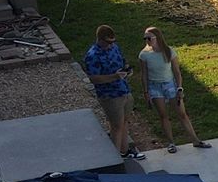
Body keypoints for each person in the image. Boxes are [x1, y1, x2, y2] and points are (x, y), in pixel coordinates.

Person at [138, 27, 210, 154]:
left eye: (149, 38)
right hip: (155, 87)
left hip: (169, 84)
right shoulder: (144, 55)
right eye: (145, 38)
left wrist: (179, 87)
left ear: (157, 38)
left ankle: (195, 140)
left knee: (182, 114)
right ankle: (171, 143)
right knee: (163, 116)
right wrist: (146, 92)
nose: (147, 41)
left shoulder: (169, 51)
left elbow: (177, 72)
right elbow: (144, 75)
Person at [82, 24, 141, 161]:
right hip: (109, 95)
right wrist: (114, 77)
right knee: (116, 126)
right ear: (100, 39)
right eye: (108, 42)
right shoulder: (93, 55)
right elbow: (94, 79)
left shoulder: (114, 48)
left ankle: (124, 151)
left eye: (112, 42)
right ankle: (114, 158)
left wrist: (127, 70)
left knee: (125, 122)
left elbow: (123, 61)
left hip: (124, 89)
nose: (111, 45)